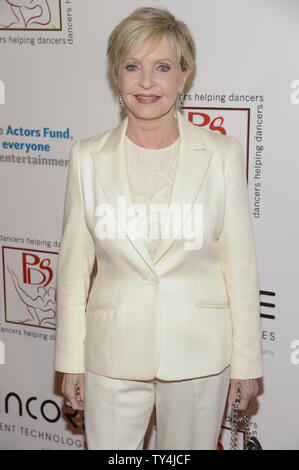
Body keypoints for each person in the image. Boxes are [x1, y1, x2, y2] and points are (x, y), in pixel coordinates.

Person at [54, 6, 263, 450]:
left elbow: (239, 267)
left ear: (183, 76)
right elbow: (73, 269)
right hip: (111, 358)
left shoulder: (222, 154)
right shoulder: (86, 157)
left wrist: (247, 363)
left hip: (200, 357)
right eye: (132, 66)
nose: (146, 82)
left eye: (162, 67)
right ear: (117, 76)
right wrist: (70, 359)